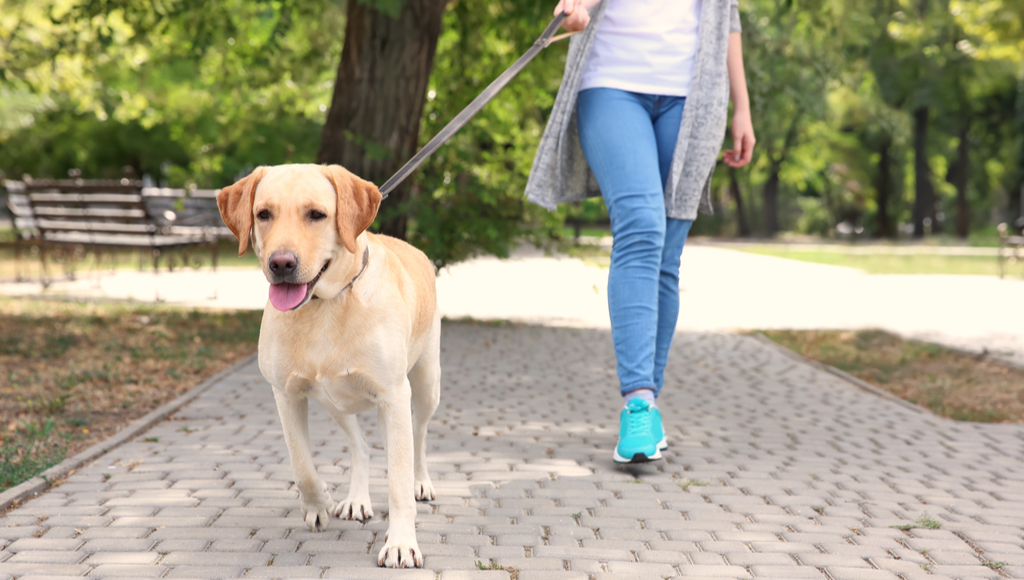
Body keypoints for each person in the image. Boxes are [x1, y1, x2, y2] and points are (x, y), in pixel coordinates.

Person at [525, 0, 755, 463]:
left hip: (695, 97)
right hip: (611, 84)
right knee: (641, 229)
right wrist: (577, 9)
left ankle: (649, 407)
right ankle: (638, 401)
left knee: (666, 258)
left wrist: (742, 108)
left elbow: (725, 15)